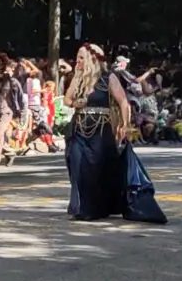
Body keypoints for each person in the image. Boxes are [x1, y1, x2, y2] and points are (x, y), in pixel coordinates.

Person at [64, 43, 166, 223]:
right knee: (78, 165)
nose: (77, 61)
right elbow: (67, 99)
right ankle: (83, 207)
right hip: (79, 127)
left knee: (96, 168)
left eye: (81, 57)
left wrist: (125, 125)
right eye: (77, 57)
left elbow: (124, 102)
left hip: (101, 128)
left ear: (92, 58)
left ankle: (97, 207)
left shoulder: (108, 78)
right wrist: (75, 103)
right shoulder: (77, 77)